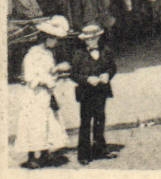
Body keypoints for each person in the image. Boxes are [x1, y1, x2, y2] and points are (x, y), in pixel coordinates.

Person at [15, 15, 71, 168]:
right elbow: (29, 76)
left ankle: (45, 152)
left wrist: (56, 70)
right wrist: (46, 80)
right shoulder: (32, 55)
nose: (56, 42)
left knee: (47, 122)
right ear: (46, 38)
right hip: (35, 95)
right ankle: (33, 156)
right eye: (54, 39)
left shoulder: (48, 54)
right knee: (34, 123)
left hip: (45, 94)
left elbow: (48, 71)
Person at [69, 22, 116, 164]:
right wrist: (87, 79)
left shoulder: (105, 50)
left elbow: (112, 67)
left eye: (93, 38)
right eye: (88, 39)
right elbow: (73, 74)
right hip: (86, 92)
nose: (91, 41)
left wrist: (107, 75)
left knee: (100, 119)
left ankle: (100, 148)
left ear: (98, 38)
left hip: (101, 91)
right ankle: (83, 154)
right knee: (85, 122)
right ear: (84, 40)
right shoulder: (79, 54)